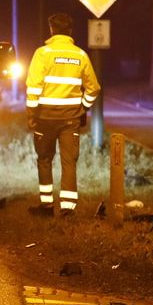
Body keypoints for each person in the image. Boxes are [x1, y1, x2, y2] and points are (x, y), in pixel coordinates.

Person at [25, 12, 100, 216]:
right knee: (69, 162)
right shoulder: (80, 55)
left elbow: (33, 87)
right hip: (70, 119)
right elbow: (93, 89)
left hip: (44, 118)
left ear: (51, 30)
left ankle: (46, 206)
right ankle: (67, 209)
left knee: (44, 159)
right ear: (70, 31)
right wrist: (83, 108)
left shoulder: (43, 53)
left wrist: (32, 114)